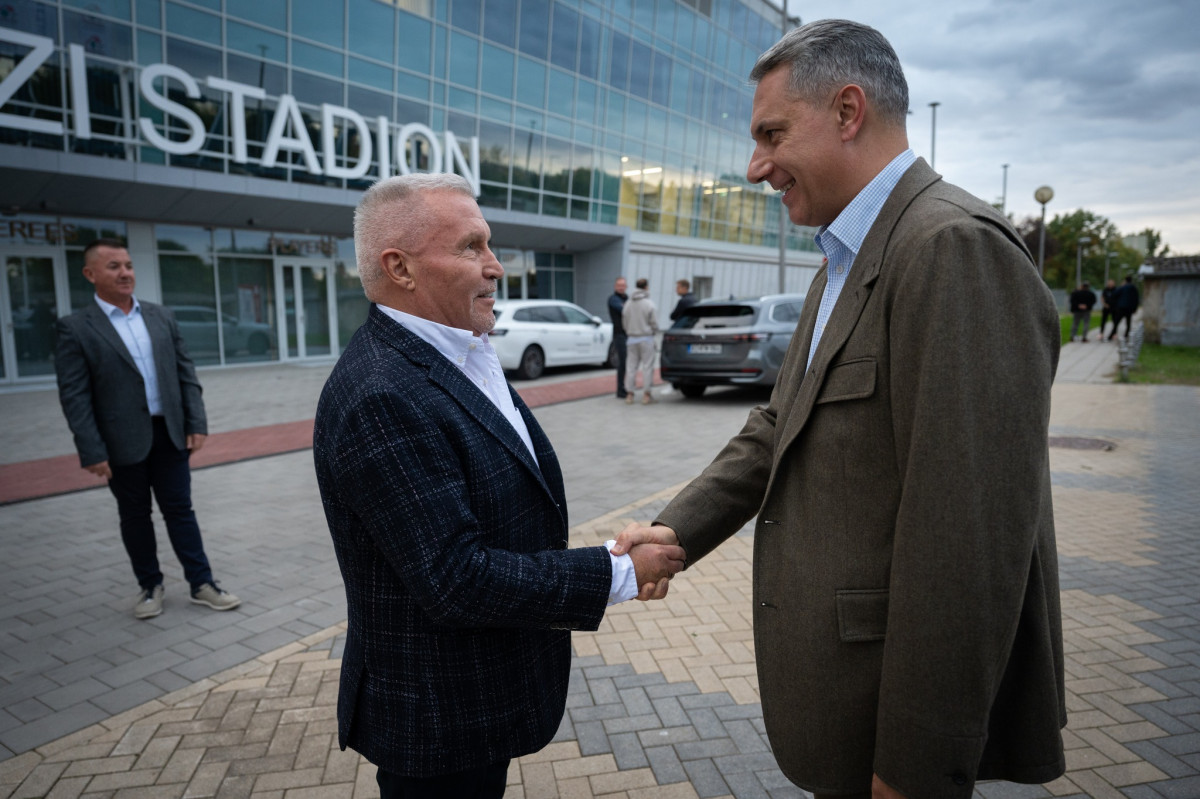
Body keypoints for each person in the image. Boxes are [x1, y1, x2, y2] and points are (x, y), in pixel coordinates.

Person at [614, 19, 1065, 799]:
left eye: (772, 135)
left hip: (890, 727)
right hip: (845, 703)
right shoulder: (844, 260)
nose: (756, 167)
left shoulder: (954, 248)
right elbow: (777, 426)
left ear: (848, 111)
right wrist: (677, 528)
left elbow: (967, 543)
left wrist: (915, 766)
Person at [312, 173, 685, 799]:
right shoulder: (381, 394)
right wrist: (618, 571)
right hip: (438, 720)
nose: (495, 266)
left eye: (489, 244)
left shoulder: (459, 350)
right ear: (400, 268)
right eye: (471, 247)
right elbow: (456, 579)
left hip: (477, 698)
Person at [54, 239, 241, 620]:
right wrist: (92, 449)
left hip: (169, 433)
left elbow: (185, 373)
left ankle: (202, 583)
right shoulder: (75, 328)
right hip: (120, 441)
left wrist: (196, 422)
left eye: (128, 265)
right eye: (113, 266)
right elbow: (74, 396)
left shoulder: (160, 316)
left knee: (180, 510)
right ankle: (150, 586)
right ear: (90, 274)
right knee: (135, 515)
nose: (125, 273)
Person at [621, 278, 659, 405]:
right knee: (647, 367)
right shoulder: (649, 304)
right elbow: (654, 322)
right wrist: (653, 331)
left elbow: (624, 322)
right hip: (646, 338)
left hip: (631, 339)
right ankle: (646, 395)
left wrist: (629, 331)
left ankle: (629, 394)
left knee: (631, 367)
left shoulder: (628, 304)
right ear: (646, 287)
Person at [608, 276, 629, 398]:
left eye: (623, 285)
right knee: (622, 362)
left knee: (628, 363)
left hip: (629, 334)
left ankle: (626, 387)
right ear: (615, 286)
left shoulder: (627, 298)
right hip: (619, 335)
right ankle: (620, 390)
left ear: (626, 287)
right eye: (619, 285)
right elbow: (625, 310)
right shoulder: (613, 299)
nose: (621, 287)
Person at [1109, 275, 1140, 340]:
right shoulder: (1134, 288)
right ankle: (1126, 335)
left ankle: (1111, 334)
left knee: (1117, 322)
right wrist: (1135, 308)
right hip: (1129, 308)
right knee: (1128, 322)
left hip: (1121, 307)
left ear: (1125, 280)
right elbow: (1136, 298)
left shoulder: (1123, 287)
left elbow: (1114, 294)